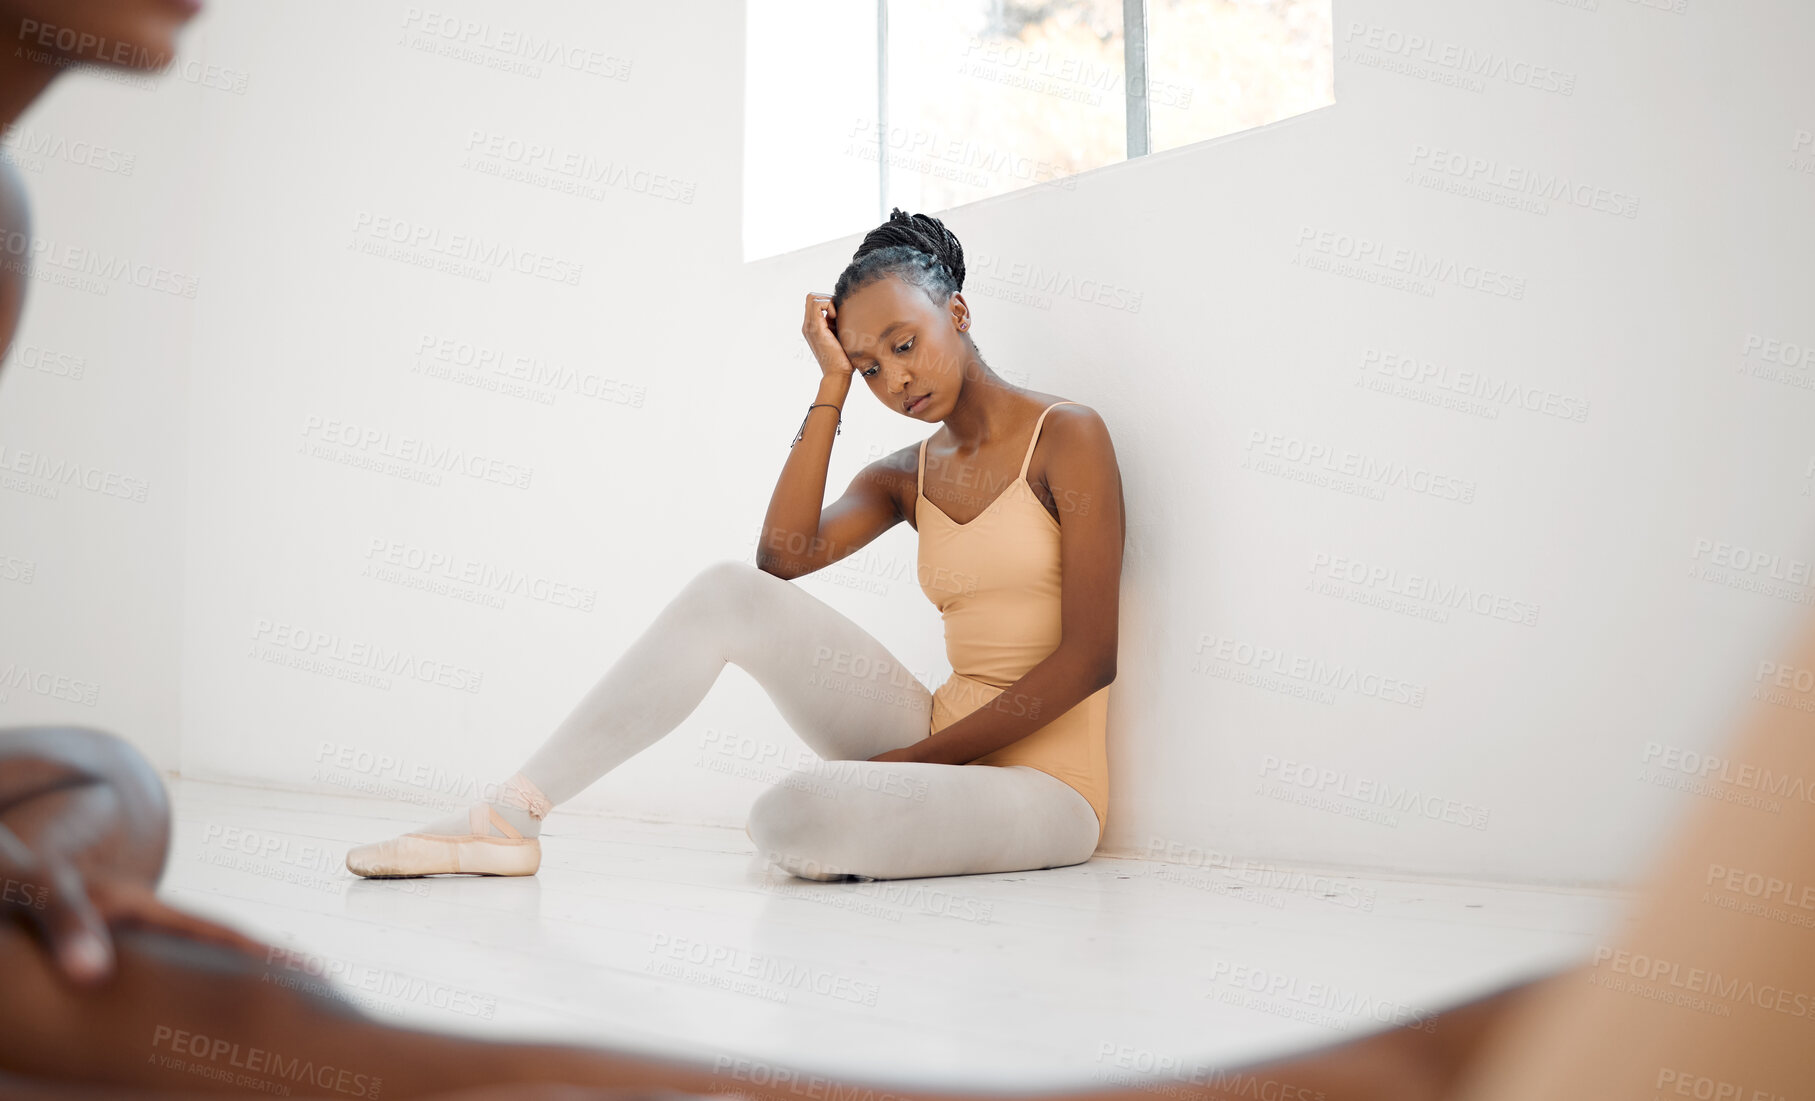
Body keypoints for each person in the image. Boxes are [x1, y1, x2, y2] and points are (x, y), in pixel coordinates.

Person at [346, 209, 1125, 885]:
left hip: (1046, 787)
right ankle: (507, 819)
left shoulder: (1068, 436)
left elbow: (1092, 656)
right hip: (935, 736)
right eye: (869, 366)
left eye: (905, 341)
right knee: (727, 593)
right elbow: (779, 561)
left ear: (956, 312)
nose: (896, 379)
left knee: (793, 813)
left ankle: (858, 811)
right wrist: (829, 384)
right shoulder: (905, 475)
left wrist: (907, 769)